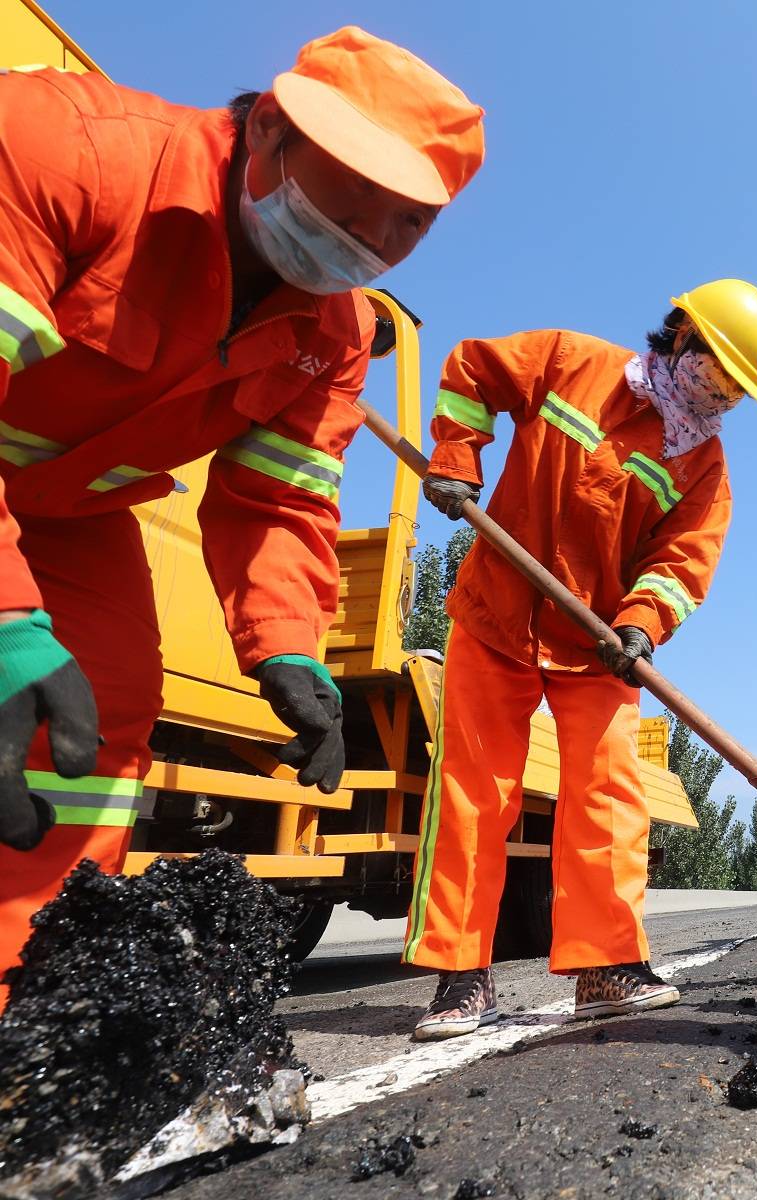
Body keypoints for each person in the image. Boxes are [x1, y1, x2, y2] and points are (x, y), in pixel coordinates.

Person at [0, 27, 484, 1008]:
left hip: (66, 505)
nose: (367, 240)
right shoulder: (61, 148)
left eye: (407, 224)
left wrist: (290, 651)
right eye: (353, 196)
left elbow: (280, 498)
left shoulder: (338, 334)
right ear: (269, 126)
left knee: (105, 698)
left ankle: (24, 1001)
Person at [403, 280, 757, 1039]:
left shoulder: (704, 469)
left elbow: (681, 565)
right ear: (680, 339)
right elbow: (474, 371)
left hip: (596, 648)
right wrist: (457, 456)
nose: (716, 400)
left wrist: (641, 626)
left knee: (611, 795)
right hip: (494, 617)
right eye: (714, 376)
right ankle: (459, 977)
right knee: (474, 792)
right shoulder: (573, 362)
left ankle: (606, 968)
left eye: (733, 394)